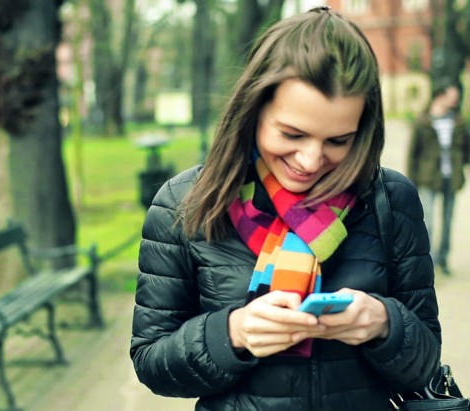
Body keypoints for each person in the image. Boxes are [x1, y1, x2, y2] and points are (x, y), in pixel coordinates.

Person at [130, 8, 441, 411]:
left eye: (338, 140)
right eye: (292, 134)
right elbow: (151, 362)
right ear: (254, 110)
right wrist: (232, 334)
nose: (311, 160)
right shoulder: (184, 202)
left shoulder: (390, 199)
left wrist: (384, 324)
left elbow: (425, 362)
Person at [406, 82, 470, 276]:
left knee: (448, 221)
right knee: (428, 221)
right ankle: (426, 262)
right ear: (440, 96)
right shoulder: (423, 121)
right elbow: (412, 153)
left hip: (452, 178)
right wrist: (410, 182)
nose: (455, 98)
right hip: (427, 178)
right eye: (452, 94)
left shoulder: (458, 121)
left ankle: (443, 259)